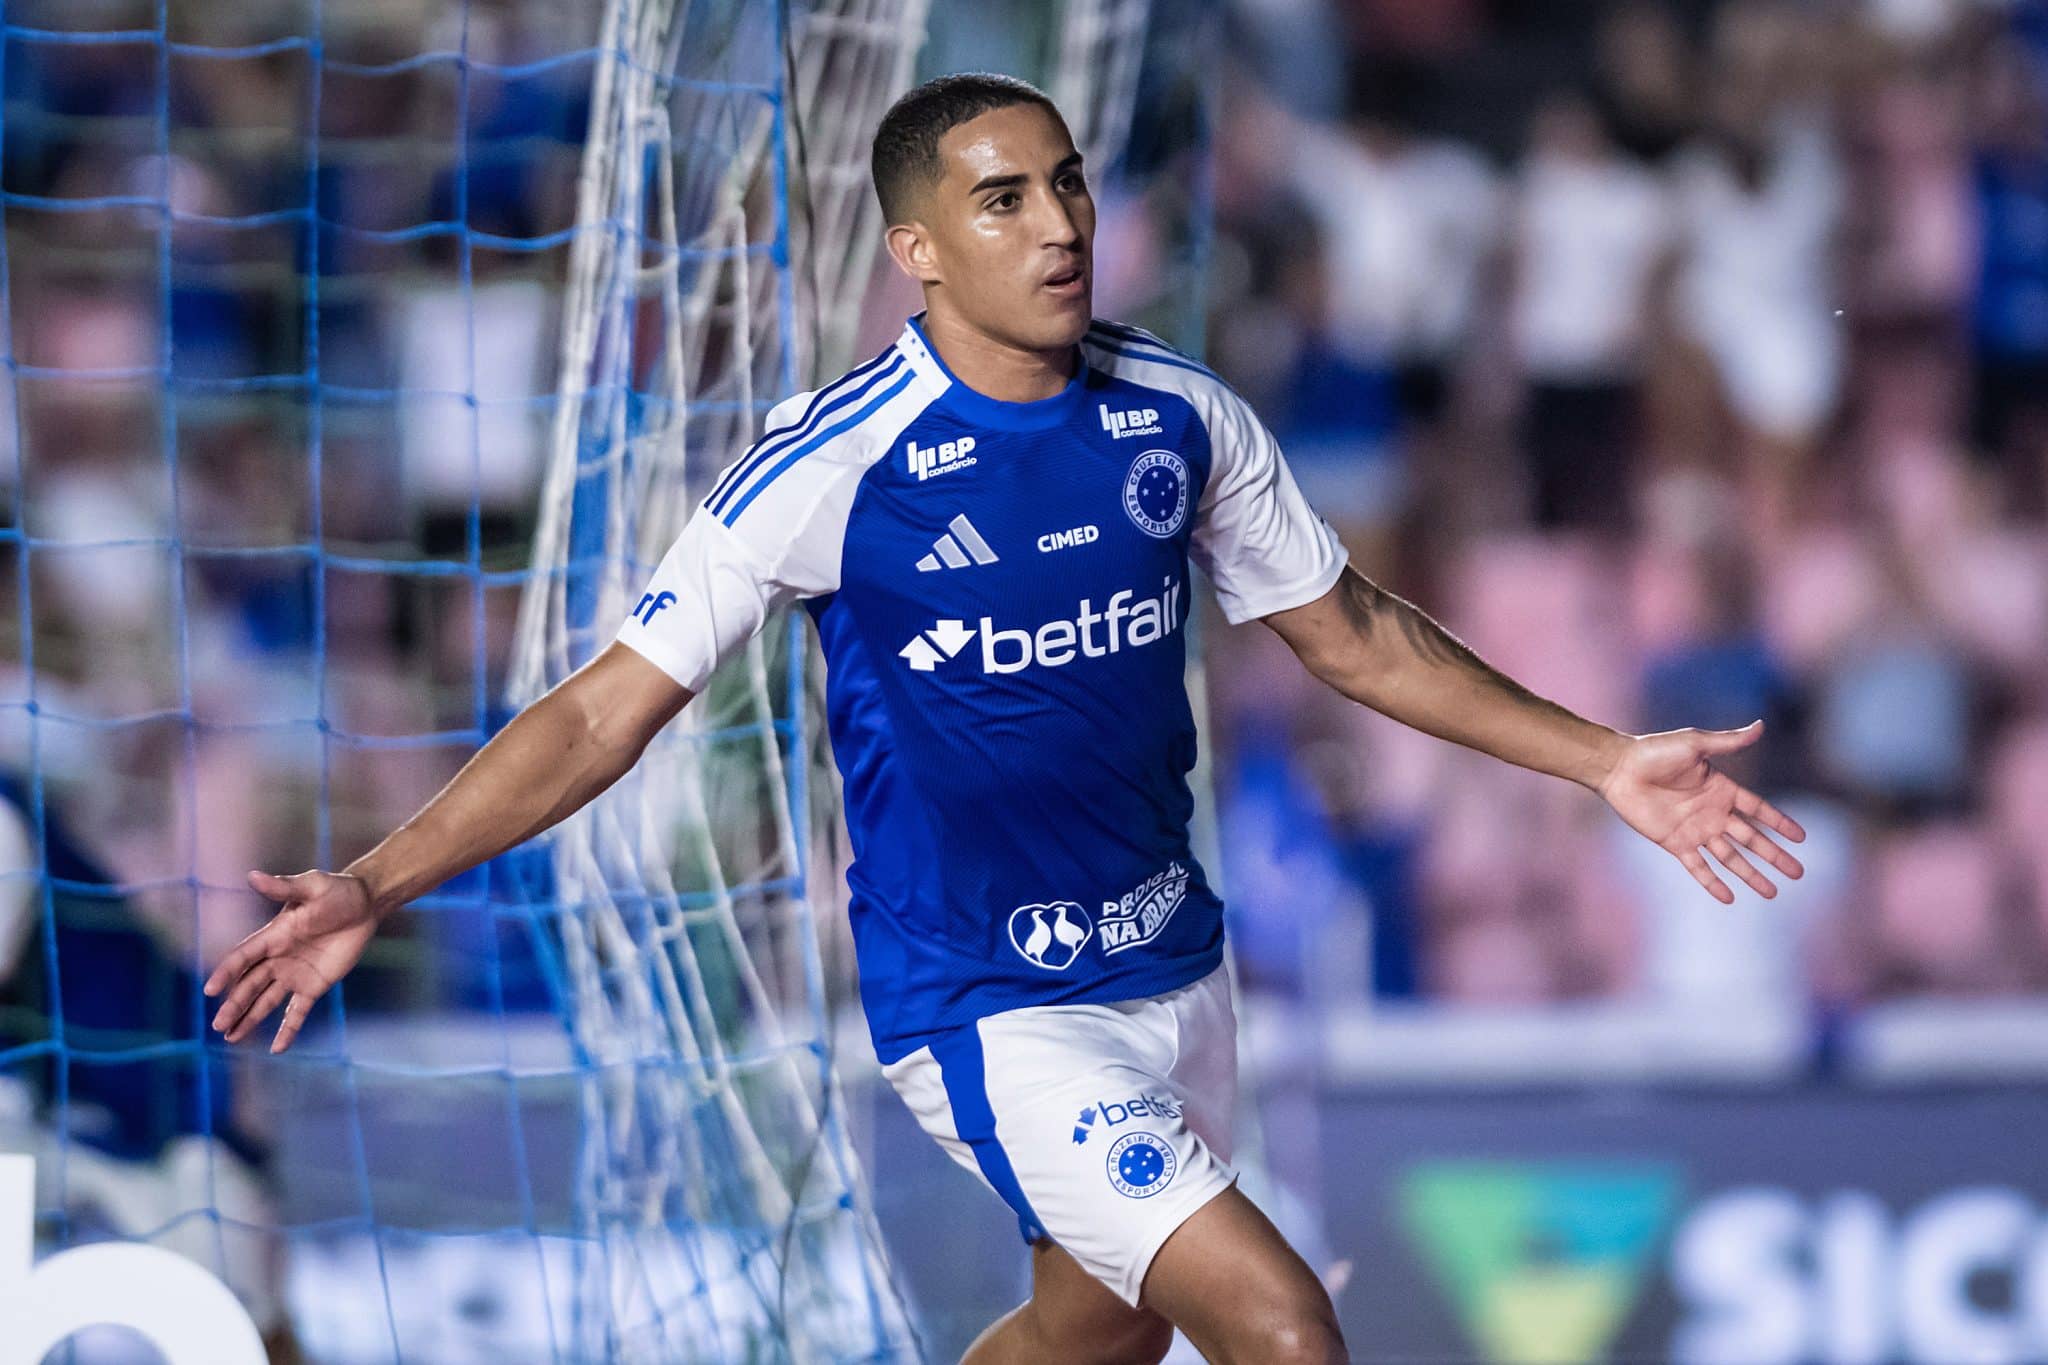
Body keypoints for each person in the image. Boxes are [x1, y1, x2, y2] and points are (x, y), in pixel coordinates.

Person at [203, 73, 1807, 1365]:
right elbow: (599, 716)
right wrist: (373, 883)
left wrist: (1605, 757)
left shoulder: (1178, 415)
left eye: (1069, 186)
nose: (1057, 226)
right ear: (917, 248)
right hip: (987, 1004)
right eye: (1003, 199)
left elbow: (1358, 638)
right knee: (1279, 1323)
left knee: (1091, 1334)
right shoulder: (835, 461)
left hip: (1178, 971)